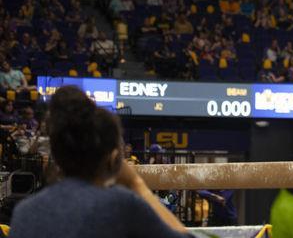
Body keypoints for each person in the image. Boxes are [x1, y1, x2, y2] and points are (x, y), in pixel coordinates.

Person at [10, 85, 190, 237]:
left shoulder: (24, 213)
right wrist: (136, 184)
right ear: (113, 159)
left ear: (56, 157)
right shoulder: (122, 204)